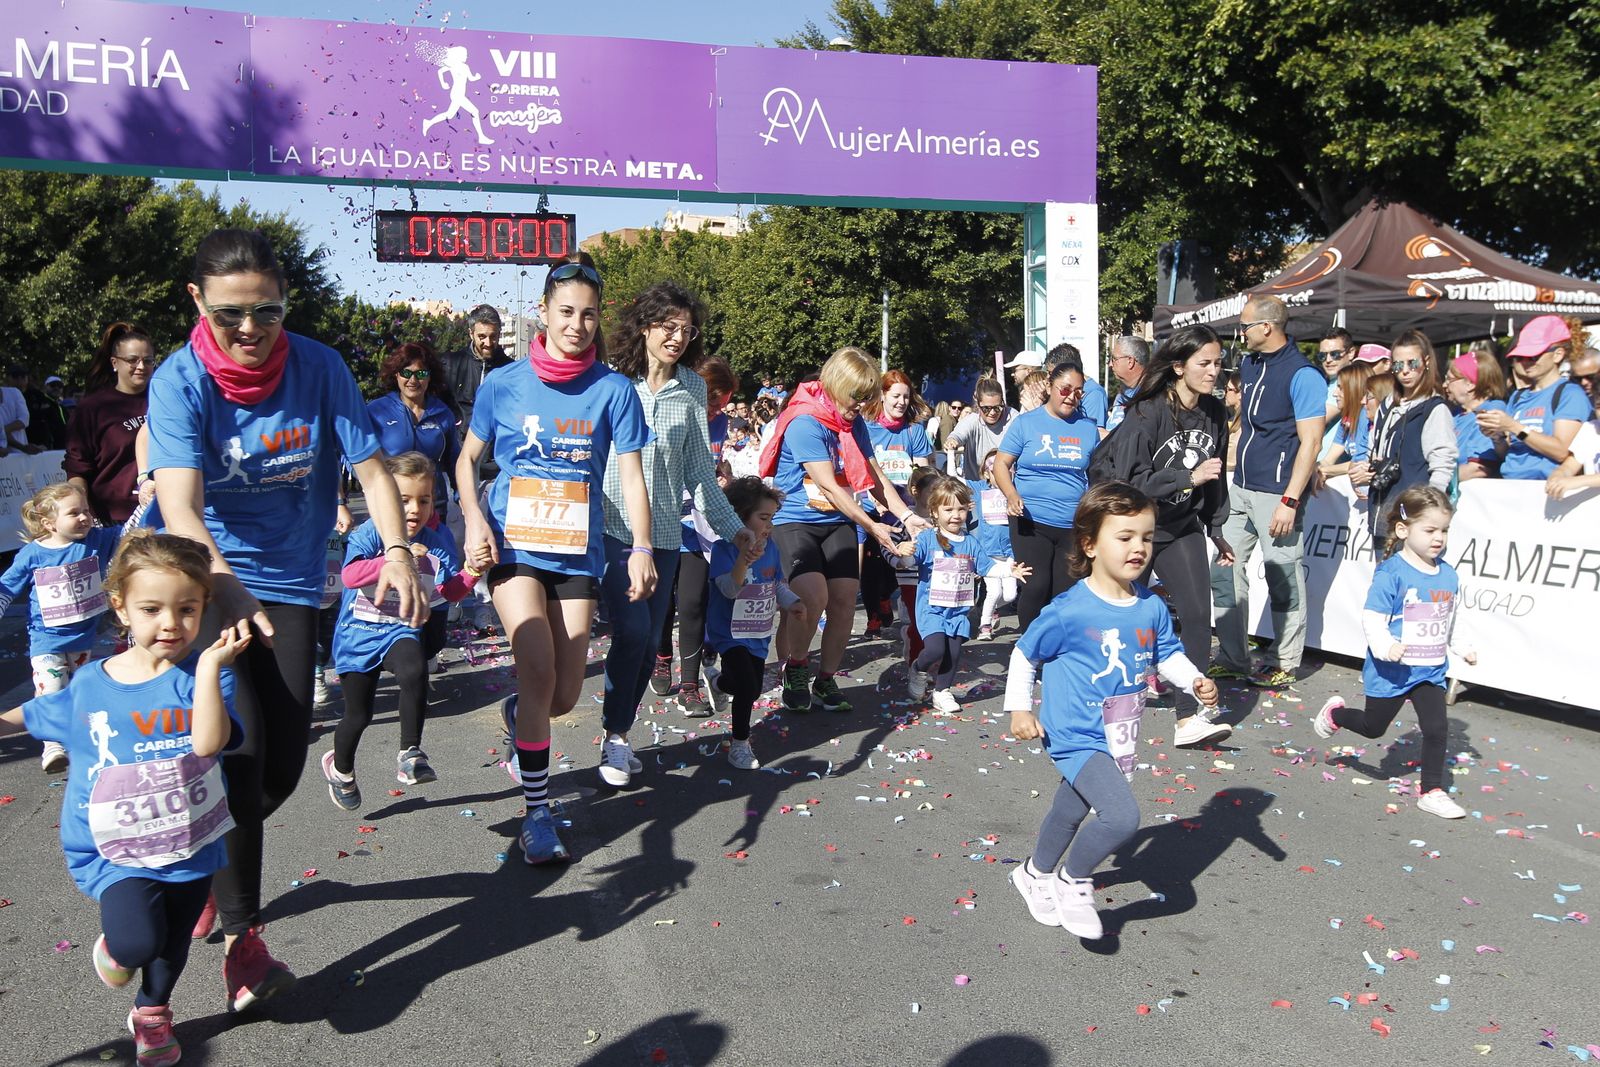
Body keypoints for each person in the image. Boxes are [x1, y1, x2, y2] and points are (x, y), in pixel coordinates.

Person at [149, 227, 427, 1007]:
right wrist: (224, 585)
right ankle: (244, 940)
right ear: (198, 301)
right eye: (232, 314)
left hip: (295, 581)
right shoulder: (180, 381)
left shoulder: (319, 366)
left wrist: (399, 551)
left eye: (266, 313)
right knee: (237, 750)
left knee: (279, 768)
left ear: (285, 304)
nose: (249, 330)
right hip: (204, 576)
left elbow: (371, 469)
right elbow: (178, 504)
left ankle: (210, 854)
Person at [0, 531, 249, 1067]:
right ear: (120, 607)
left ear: (204, 606)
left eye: (187, 609)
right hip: (114, 847)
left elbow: (210, 743)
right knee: (137, 944)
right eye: (152, 608)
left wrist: (208, 669)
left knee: (173, 945)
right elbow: (35, 715)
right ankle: (116, 947)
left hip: (188, 840)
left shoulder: (207, 678)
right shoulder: (91, 683)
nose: (170, 623)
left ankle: (152, 1013)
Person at [458, 259, 654, 862]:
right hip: (513, 549)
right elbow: (467, 461)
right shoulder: (503, 384)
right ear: (542, 313)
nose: (577, 324)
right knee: (538, 667)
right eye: (565, 311)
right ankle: (538, 815)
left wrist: (643, 547)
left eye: (589, 313)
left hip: (577, 553)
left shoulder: (614, 391)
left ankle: (522, 714)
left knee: (564, 695)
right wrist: (472, 519)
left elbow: (631, 473)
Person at [1003, 482, 1220, 938]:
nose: (1139, 547)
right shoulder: (1069, 610)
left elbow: (1168, 653)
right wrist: (1020, 709)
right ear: (1090, 544)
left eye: (1146, 536)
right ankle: (1072, 880)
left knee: (1071, 807)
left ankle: (1034, 873)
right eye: (1124, 537)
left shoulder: (1150, 606)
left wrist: (1194, 680)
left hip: (1117, 732)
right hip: (1074, 731)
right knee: (1121, 817)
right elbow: (1025, 654)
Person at [593, 283, 748, 782]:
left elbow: (700, 473)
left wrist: (735, 530)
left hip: (664, 533)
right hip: (612, 528)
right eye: (668, 326)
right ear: (644, 326)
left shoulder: (692, 388)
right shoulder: (613, 382)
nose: (677, 337)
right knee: (634, 632)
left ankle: (619, 732)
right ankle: (615, 738)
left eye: (687, 329)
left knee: (644, 648)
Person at [761, 346, 931, 713]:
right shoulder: (805, 421)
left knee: (842, 601)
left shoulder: (851, 423)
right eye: (858, 398)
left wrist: (905, 516)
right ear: (838, 385)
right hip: (796, 519)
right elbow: (829, 486)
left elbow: (873, 475)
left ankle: (825, 678)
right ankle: (796, 666)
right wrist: (873, 525)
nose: (862, 406)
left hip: (838, 520)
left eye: (868, 398)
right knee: (811, 599)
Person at [1089, 324, 1234, 747]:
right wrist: (1187, 475)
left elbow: (1215, 476)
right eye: (1204, 363)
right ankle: (1097, 695)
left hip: (1182, 524)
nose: (1214, 371)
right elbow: (1131, 481)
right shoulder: (1147, 412)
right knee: (1114, 615)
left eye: (1218, 363)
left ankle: (1188, 716)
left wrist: (1217, 527)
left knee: (1196, 615)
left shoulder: (1215, 411)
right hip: (1136, 526)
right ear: (1178, 366)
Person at [321, 453, 488, 807]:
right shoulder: (370, 532)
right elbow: (351, 575)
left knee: (414, 669)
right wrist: (397, 557)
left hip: (400, 631)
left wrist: (472, 572)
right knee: (358, 715)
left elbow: (443, 593)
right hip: (358, 636)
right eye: (403, 500)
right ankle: (342, 770)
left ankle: (410, 752)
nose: (414, 509)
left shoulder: (437, 541)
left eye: (423, 500)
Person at [1313, 486, 1476, 819]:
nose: (1438, 538)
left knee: (1436, 728)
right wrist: (1385, 645)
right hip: (1392, 668)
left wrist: (1462, 647)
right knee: (1374, 728)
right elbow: (1373, 616)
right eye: (1429, 530)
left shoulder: (1447, 574)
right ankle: (1337, 715)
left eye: (1444, 530)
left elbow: (1450, 616)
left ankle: (1431, 790)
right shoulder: (1392, 572)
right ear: (1403, 530)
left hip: (1429, 670)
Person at [1208, 295, 1325, 688]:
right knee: (1223, 571)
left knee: (1283, 577)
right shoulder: (1250, 364)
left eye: (1245, 326)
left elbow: (1310, 443)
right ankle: (1233, 656)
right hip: (1239, 486)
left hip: (1278, 493)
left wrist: (1291, 500)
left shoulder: (1303, 375)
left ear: (1267, 328)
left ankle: (1285, 660)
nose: (1241, 333)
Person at [0, 483, 124, 773]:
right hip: (47, 640)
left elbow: (130, 528)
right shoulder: (32, 554)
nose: (84, 517)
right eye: (74, 513)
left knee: (78, 691)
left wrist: (147, 501)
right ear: (49, 523)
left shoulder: (96, 540)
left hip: (83, 639)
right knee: (52, 690)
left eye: (86, 511)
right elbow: (7, 586)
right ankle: (53, 745)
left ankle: (78, 739)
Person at [653, 354, 742, 717]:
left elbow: (716, 469)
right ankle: (661, 656)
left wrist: (725, 479)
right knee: (663, 602)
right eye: (711, 402)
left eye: (721, 405)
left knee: (692, 603)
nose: (715, 412)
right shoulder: (670, 413)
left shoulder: (719, 425)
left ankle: (689, 685)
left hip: (696, 528)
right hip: (660, 521)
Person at [898, 476, 1029, 713]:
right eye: (948, 509)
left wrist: (1010, 570)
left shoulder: (970, 543)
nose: (955, 515)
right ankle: (918, 669)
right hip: (932, 608)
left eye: (961, 509)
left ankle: (941, 691)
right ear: (935, 512)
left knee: (954, 652)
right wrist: (905, 552)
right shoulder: (927, 539)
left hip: (958, 610)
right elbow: (908, 562)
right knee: (936, 649)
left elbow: (987, 567)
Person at [702, 477, 805, 769]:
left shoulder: (771, 548)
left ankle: (718, 682)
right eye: (763, 518)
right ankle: (740, 744)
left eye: (772, 518)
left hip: (758, 633)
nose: (769, 525)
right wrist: (743, 561)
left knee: (750, 685)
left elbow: (776, 584)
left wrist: (793, 602)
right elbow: (730, 590)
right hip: (729, 632)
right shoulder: (724, 549)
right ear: (739, 518)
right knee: (747, 687)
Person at [993, 359, 1101, 631]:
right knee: (1037, 585)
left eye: (1078, 392)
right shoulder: (1026, 424)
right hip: (1030, 519)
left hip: (1072, 523)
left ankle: (1057, 650)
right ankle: (1030, 648)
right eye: (1065, 389)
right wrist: (1011, 494)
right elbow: (1001, 464)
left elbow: (1099, 473)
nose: (1071, 397)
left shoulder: (1088, 428)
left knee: (1065, 591)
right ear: (1051, 387)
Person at [860, 370, 933, 637]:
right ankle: (873, 616)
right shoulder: (867, 429)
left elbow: (925, 475)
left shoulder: (914, 431)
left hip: (905, 508)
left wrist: (922, 502)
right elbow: (862, 471)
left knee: (901, 558)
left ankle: (886, 596)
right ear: (882, 396)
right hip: (872, 505)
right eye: (896, 396)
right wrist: (873, 499)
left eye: (906, 396)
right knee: (872, 562)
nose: (901, 402)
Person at [1365, 330, 1456, 539]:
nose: (1405, 371)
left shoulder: (1434, 409)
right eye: (1398, 365)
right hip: (1382, 512)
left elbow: (1442, 465)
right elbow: (1374, 451)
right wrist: (1365, 469)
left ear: (1425, 362)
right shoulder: (1387, 405)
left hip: (1415, 519)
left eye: (1412, 363)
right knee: (1384, 572)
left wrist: (1430, 514)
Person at [1477, 315, 1589, 480]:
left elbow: (1561, 452)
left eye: (1533, 356)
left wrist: (1514, 427)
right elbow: (1509, 454)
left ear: (1557, 355)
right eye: (1520, 357)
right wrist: (1496, 437)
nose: (1525, 362)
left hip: (1546, 489)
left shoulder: (1570, 394)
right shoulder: (1518, 396)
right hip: (1512, 485)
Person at [66, 323, 155, 525]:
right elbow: (77, 468)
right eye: (132, 360)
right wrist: (84, 513)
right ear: (115, 362)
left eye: (148, 361)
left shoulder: (166, 401)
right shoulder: (93, 408)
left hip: (163, 514)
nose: (141, 367)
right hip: (114, 521)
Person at [970, 448, 1019, 641]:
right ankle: (985, 625)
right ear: (985, 473)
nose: (999, 474)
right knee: (994, 591)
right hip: (988, 553)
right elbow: (953, 479)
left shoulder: (1015, 490)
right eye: (993, 469)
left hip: (1009, 553)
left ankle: (990, 609)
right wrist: (950, 454)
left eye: (1006, 470)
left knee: (1010, 595)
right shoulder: (980, 490)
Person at [1442, 349, 1508, 482]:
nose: (1444, 385)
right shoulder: (1456, 414)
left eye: (1449, 379)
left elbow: (1478, 469)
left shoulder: (1490, 411)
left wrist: (1431, 481)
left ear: (1470, 384)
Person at [1318, 362, 1378, 479]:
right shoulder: (1347, 417)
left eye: (1340, 388)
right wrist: (1315, 469)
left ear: (1354, 389)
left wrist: (1323, 471)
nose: (1335, 394)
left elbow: (1358, 463)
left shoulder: (1365, 417)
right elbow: (1328, 459)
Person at [944, 378, 1012, 479]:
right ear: (978, 404)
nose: (992, 412)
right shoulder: (971, 420)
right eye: (986, 408)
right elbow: (958, 434)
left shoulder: (1013, 418)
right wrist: (952, 441)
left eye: (998, 407)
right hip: (976, 486)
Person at [14, 365, 67, 450]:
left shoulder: (62, 407)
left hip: (62, 448)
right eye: (53, 385)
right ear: (45, 386)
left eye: (60, 386)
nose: (56, 388)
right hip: (40, 446)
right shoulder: (37, 398)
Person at [1104, 335, 1150, 431]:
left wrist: (1109, 438)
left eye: (1114, 359)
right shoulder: (1123, 393)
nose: (1110, 364)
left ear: (1130, 361)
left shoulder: (1149, 396)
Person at [1, 364, 34, 452]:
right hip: (16, 452)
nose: (20, 380)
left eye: (23, 376)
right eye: (15, 376)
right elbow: (24, 420)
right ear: (7, 378)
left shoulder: (15, 393)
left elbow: (24, 420)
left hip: (16, 453)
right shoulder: (15, 392)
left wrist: (2, 431)